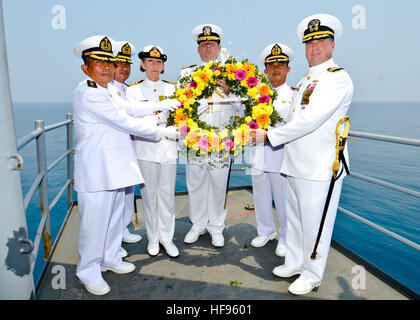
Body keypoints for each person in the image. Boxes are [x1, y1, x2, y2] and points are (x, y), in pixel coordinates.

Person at [252, 14, 353, 295]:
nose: (314, 48)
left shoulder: (337, 79)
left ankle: (312, 273)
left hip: (320, 166)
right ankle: (294, 262)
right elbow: (290, 114)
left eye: (321, 41)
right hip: (295, 162)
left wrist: (268, 136)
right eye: (310, 43)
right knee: (295, 219)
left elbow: (309, 121)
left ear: (332, 45)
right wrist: (258, 98)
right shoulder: (307, 79)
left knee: (314, 223)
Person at [72, 35, 180, 296]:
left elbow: (129, 109)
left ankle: (110, 259)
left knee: (109, 221)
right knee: (94, 224)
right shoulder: (88, 93)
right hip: (97, 170)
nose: (107, 67)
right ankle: (88, 271)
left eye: (109, 62)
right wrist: (162, 130)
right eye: (100, 63)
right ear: (86, 68)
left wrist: (161, 105)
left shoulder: (105, 91)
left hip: (114, 167)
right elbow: (124, 121)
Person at [182, 24, 240, 248]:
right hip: (196, 140)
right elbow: (182, 106)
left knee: (218, 186)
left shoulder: (234, 73)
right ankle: (197, 224)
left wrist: (230, 90)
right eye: (203, 44)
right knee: (195, 184)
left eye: (212, 44)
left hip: (223, 140)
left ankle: (216, 227)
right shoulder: (188, 73)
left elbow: (244, 108)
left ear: (219, 47)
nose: (207, 47)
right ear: (198, 49)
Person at [126, 45, 179, 258]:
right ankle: (153, 239)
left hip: (168, 149)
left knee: (167, 197)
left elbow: (182, 117)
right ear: (142, 64)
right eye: (150, 61)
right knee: (149, 197)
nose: (154, 66)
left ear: (163, 65)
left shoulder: (174, 89)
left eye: (158, 62)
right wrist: (158, 121)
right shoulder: (133, 91)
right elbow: (132, 120)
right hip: (145, 149)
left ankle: (167, 238)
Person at [249, 43, 294, 258]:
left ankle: (286, 237)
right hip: (258, 153)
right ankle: (265, 231)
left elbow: (294, 126)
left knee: (283, 200)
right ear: (265, 70)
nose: (276, 69)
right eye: (271, 65)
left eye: (281, 64)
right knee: (260, 195)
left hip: (280, 155)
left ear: (288, 69)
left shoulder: (294, 96)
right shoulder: (256, 95)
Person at [108, 41, 142, 258]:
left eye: (127, 64)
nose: (124, 68)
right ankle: (112, 240)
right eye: (119, 63)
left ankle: (123, 229)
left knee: (128, 192)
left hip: (130, 146)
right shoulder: (107, 90)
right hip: (113, 150)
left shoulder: (128, 90)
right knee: (115, 198)